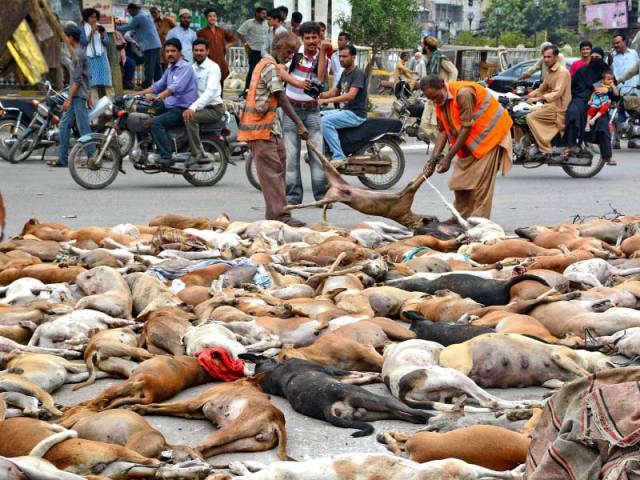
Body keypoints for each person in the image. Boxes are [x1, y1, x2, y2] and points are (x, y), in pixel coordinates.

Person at [237, 32, 309, 227]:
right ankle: (280, 216)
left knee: (278, 171)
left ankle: (276, 215)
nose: (290, 56)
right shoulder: (269, 67)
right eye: (288, 51)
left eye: (293, 53)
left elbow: (274, 99)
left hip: (270, 128)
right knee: (272, 175)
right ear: (277, 47)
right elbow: (281, 97)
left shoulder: (268, 65)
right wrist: (299, 124)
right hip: (260, 130)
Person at [420, 75, 513, 219]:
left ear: (443, 86)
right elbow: (443, 130)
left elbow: (466, 127)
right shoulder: (439, 100)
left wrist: (448, 158)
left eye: (436, 97)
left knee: (481, 186)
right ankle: (461, 217)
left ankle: (480, 221)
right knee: (460, 182)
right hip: (471, 143)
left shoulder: (463, 94)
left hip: (490, 138)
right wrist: (433, 160)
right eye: (431, 99)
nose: (435, 101)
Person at [275, 22, 328, 207]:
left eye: (315, 37)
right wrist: (297, 83)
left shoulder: (323, 57)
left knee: (317, 156)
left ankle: (322, 197)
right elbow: (281, 71)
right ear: (303, 39)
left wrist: (322, 52)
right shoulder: (295, 55)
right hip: (291, 110)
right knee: (291, 156)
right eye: (308, 38)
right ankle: (293, 197)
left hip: (312, 111)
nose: (311, 41)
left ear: (319, 38)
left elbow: (320, 78)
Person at [137, 38, 198, 166]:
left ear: (180, 52)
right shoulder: (170, 68)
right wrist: (133, 95)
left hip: (181, 109)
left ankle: (166, 155)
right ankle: (146, 148)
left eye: (173, 51)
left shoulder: (185, 67)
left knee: (155, 123)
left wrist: (158, 97)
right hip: (169, 106)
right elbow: (157, 85)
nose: (170, 54)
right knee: (140, 113)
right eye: (167, 51)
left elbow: (175, 88)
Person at [562, 48, 617, 166]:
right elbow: (570, 87)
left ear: (602, 59)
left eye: (598, 58)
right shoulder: (581, 71)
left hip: (598, 104)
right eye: (593, 57)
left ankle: (607, 156)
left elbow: (615, 93)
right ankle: (571, 145)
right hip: (580, 100)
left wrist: (607, 91)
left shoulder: (607, 74)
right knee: (573, 112)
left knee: (602, 123)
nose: (595, 60)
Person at [318, 44, 368, 164]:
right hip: (347, 111)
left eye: (344, 56)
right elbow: (335, 91)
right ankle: (325, 151)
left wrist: (326, 101)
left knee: (325, 121)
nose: (341, 59)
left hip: (356, 113)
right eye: (340, 57)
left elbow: (351, 95)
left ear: (353, 57)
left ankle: (339, 156)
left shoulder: (358, 74)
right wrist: (320, 95)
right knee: (318, 115)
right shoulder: (345, 73)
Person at [55, 24, 94, 168]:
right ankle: (62, 159)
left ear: (70, 37)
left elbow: (78, 80)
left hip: (77, 96)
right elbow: (87, 76)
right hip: (78, 95)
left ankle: (93, 157)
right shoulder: (79, 52)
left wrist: (68, 99)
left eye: (65, 36)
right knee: (64, 125)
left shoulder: (78, 54)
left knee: (84, 128)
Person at [525, 45, 571, 156]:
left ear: (555, 57)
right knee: (521, 115)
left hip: (558, 108)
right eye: (544, 57)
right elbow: (542, 88)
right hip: (549, 105)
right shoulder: (550, 71)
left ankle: (545, 147)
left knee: (530, 117)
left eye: (549, 57)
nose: (546, 59)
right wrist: (527, 96)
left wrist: (538, 98)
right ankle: (530, 144)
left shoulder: (562, 72)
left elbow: (557, 93)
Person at [184, 38, 224, 162]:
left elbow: (210, 92)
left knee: (189, 117)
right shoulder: (192, 68)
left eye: (201, 50)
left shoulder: (213, 67)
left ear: (207, 51)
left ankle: (197, 153)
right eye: (196, 50)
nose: (198, 53)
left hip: (213, 109)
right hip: (200, 107)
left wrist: (193, 107)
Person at [419, 36, 458, 142]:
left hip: (440, 97)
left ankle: (443, 154)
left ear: (426, 47)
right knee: (424, 126)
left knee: (437, 127)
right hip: (431, 98)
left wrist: (447, 88)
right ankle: (441, 151)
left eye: (423, 44)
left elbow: (454, 71)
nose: (421, 46)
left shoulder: (440, 58)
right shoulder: (430, 60)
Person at [116, 3, 162, 88]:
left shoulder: (139, 17)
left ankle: (146, 85)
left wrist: (114, 28)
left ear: (134, 9)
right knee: (156, 67)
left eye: (130, 12)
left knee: (149, 66)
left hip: (150, 45)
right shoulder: (144, 15)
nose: (130, 14)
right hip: (156, 44)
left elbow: (129, 27)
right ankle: (159, 85)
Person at [610, 33, 640, 149]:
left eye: (618, 42)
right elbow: (631, 72)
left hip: (634, 88)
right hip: (620, 89)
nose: (616, 45)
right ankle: (616, 140)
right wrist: (617, 82)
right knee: (618, 114)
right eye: (614, 43)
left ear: (624, 42)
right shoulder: (611, 57)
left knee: (634, 115)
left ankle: (633, 139)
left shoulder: (633, 54)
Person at [196, 8, 236, 93]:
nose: (212, 18)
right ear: (206, 18)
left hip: (221, 61)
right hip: (209, 61)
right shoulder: (201, 32)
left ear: (216, 18)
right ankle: (208, 102)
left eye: (214, 16)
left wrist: (225, 47)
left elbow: (233, 39)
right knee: (208, 83)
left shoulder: (221, 30)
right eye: (209, 16)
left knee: (220, 82)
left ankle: (219, 102)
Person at [79, 8, 113, 102]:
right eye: (91, 17)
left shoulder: (101, 28)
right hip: (89, 59)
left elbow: (107, 42)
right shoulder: (82, 29)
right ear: (86, 18)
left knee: (107, 83)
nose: (94, 19)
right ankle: (95, 109)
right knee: (92, 85)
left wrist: (102, 35)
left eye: (95, 17)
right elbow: (83, 43)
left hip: (101, 57)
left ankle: (110, 106)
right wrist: (91, 34)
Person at [237, 7, 269, 92]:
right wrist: (246, 45)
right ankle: (247, 91)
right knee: (252, 71)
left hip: (265, 52)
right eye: (263, 13)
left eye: (265, 13)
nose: (265, 15)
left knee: (265, 71)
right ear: (257, 13)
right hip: (253, 51)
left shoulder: (267, 23)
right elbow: (239, 32)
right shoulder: (249, 23)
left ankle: (259, 90)